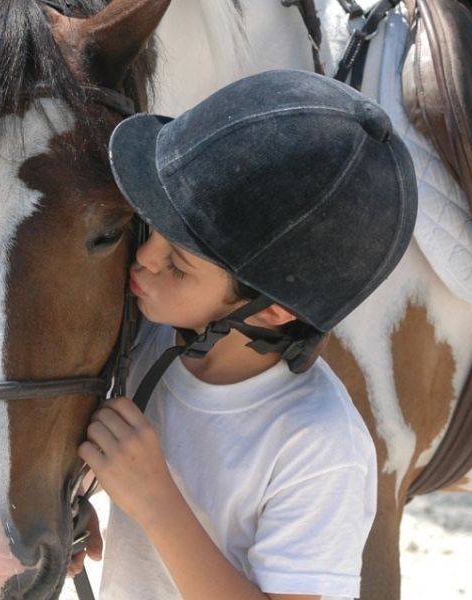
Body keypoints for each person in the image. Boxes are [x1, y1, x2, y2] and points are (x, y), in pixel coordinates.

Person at [70, 69, 417, 599]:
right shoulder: (151, 342)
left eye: (179, 264)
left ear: (271, 311)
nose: (144, 259)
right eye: (152, 232)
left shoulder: (319, 445)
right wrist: (84, 498)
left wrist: (155, 502)